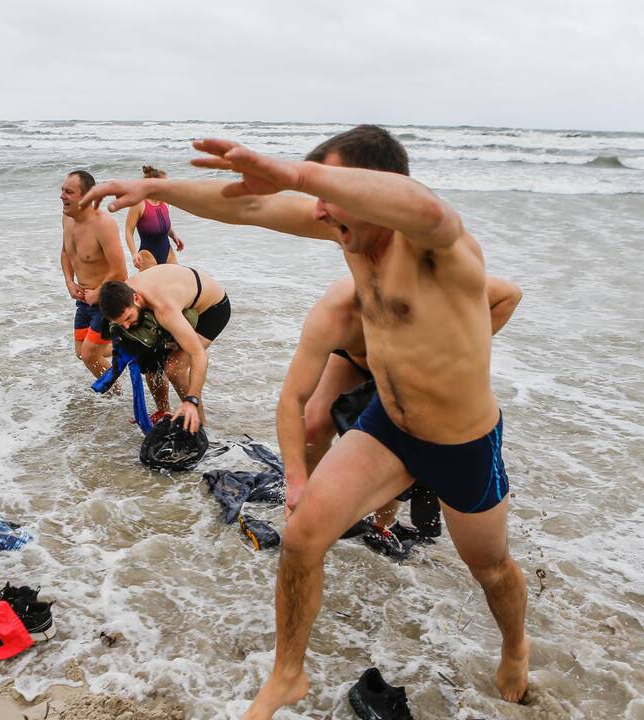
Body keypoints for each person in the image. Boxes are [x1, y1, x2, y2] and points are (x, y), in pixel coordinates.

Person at [82, 125, 530, 715]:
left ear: (376, 188)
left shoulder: (438, 244)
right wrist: (151, 185)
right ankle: (288, 674)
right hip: (389, 429)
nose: (319, 210)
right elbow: (251, 205)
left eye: (332, 189)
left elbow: (425, 208)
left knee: (490, 569)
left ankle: (515, 646)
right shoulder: (347, 235)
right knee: (301, 537)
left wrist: (297, 172)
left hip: (461, 440)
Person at [281, 275, 522, 531]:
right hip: (354, 360)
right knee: (313, 426)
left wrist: (460, 348)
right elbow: (292, 398)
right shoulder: (336, 312)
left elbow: (509, 295)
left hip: (413, 368)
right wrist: (295, 480)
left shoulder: (437, 291)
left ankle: (382, 525)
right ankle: (309, 503)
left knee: (395, 446)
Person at [96, 263, 230, 434]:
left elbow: (198, 355)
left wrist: (191, 400)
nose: (127, 326)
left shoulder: (164, 309)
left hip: (212, 309)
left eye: (128, 318)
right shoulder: (122, 294)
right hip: (182, 301)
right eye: (122, 323)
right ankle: (163, 411)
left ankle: (199, 424)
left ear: (136, 298)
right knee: (149, 356)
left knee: (175, 367)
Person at [59, 170, 127, 381]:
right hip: (84, 300)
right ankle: (124, 348)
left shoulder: (103, 224)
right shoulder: (67, 219)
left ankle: (113, 393)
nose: (62, 196)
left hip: (107, 300)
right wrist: (70, 282)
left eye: (69, 192)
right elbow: (65, 252)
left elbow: (121, 271)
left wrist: (98, 293)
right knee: (82, 353)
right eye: (62, 190)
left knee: (90, 353)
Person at [124, 166, 183, 270]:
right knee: (150, 286)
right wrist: (134, 254)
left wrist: (174, 236)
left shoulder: (165, 202)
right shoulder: (138, 204)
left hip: (167, 252)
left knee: (177, 283)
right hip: (147, 255)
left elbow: (162, 224)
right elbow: (128, 232)